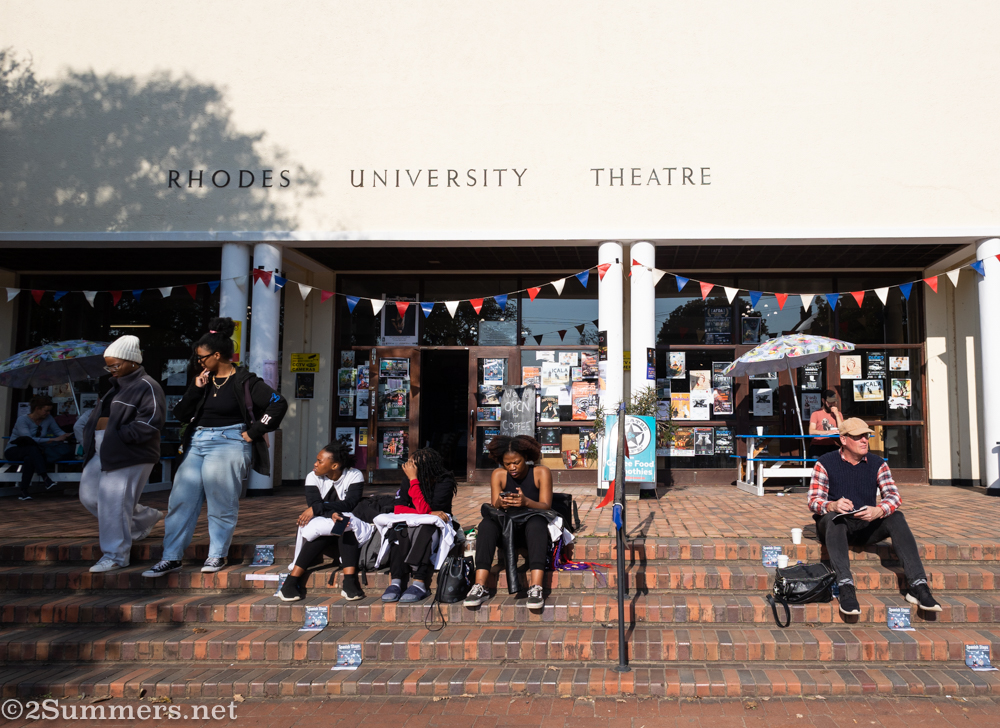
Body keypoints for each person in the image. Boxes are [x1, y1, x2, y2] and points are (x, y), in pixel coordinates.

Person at [142, 317, 287, 578]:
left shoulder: (245, 381)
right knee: (180, 501)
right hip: (197, 442)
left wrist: (254, 431)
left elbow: (278, 403)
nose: (198, 362)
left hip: (229, 442)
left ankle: (217, 554)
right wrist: (196, 389)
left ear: (217, 355)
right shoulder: (203, 380)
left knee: (221, 502)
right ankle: (171, 557)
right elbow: (181, 413)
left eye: (201, 357)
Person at [807, 417, 941, 616]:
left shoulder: (878, 463)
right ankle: (845, 587)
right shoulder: (825, 463)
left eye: (866, 436)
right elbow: (813, 501)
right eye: (858, 436)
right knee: (834, 519)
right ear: (843, 439)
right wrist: (832, 505)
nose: (865, 440)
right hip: (835, 527)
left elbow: (894, 496)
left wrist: (879, 510)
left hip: (865, 525)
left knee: (896, 517)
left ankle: (918, 586)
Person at [77, 336, 165, 572]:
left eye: (115, 365)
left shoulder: (147, 385)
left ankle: (115, 555)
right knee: (89, 496)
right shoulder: (114, 388)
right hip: (103, 448)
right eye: (109, 366)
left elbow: (151, 422)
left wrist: (117, 436)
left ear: (133, 361)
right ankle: (143, 519)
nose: (112, 370)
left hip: (129, 452)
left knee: (113, 504)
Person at [464, 435, 553, 611]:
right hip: (507, 529)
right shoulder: (498, 475)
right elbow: (494, 506)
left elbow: (546, 506)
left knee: (536, 522)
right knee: (486, 525)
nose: (512, 467)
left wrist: (526, 502)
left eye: (516, 462)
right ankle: (480, 585)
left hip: (532, 530)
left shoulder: (541, 472)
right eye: (507, 464)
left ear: (526, 457)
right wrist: (501, 503)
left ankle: (536, 587)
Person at [278, 441, 366, 602]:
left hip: (347, 536)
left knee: (344, 524)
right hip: (322, 534)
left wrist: (320, 509)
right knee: (324, 532)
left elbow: (350, 504)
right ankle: (290, 582)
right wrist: (329, 512)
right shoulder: (312, 477)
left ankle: (349, 582)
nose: (315, 464)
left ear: (334, 466)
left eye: (319, 461)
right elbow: (314, 505)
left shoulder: (354, 475)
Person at [380, 448, 457, 603]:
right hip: (415, 520)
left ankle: (419, 582)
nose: (408, 466)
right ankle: (396, 581)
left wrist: (414, 480)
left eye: (412, 464)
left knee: (425, 530)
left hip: (438, 527)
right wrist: (425, 512)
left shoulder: (444, 481)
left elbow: (430, 512)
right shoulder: (408, 479)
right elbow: (399, 508)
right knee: (398, 530)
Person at [5, 395, 72, 500]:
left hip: (34, 452)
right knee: (32, 449)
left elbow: (58, 431)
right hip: (15, 449)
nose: (48, 413)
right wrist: (53, 439)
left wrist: (66, 435)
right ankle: (45, 477)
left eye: (49, 411)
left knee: (29, 458)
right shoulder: (22, 420)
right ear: (37, 409)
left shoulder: (48, 418)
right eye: (46, 410)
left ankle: (24, 491)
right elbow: (28, 439)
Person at [807, 389, 843, 459]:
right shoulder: (815, 414)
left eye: (834, 402)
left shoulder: (838, 414)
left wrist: (837, 415)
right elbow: (811, 431)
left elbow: (842, 429)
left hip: (833, 444)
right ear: (823, 401)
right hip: (818, 445)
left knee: (840, 458)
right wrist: (828, 432)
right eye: (829, 402)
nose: (832, 404)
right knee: (816, 458)